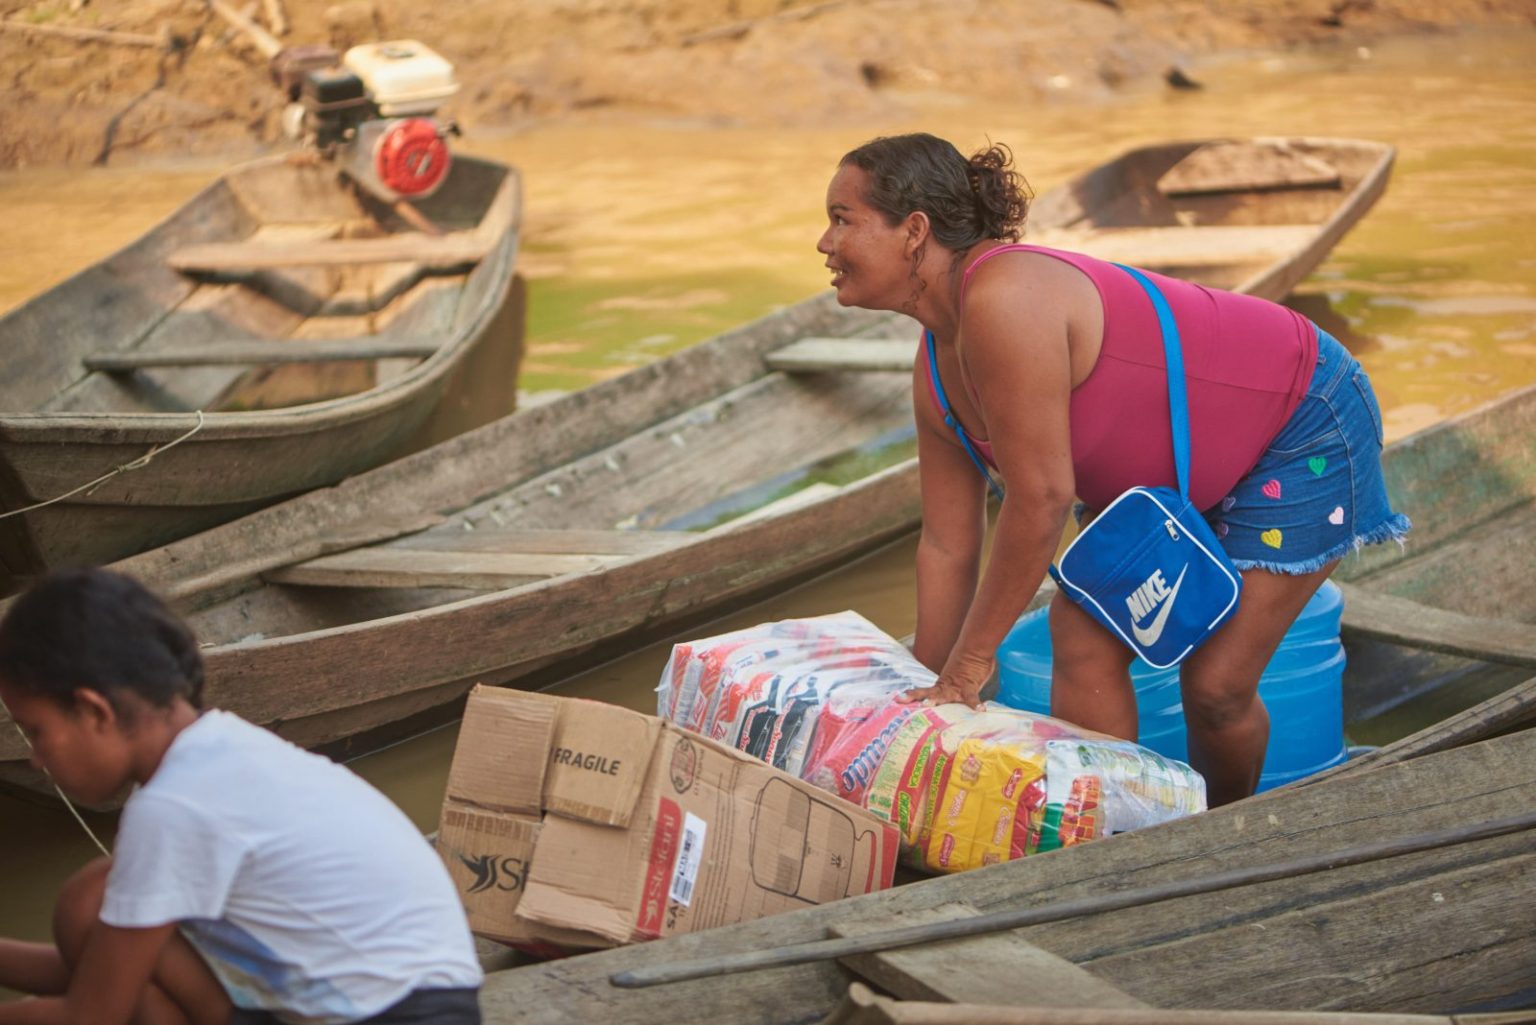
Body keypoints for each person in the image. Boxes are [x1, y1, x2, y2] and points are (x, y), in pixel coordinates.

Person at [816, 133, 1409, 806]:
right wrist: (922, 692)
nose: (824, 243)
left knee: (1216, 688)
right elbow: (949, 544)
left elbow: (1040, 499)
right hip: (1174, 476)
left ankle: (1224, 832)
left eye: (843, 218)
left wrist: (970, 665)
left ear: (914, 231)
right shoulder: (934, 373)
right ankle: (1118, 832)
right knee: (1081, 633)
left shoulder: (1006, 297)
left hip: (1300, 421)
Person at [0, 567, 483, 1025]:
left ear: (94, 710)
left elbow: (90, 1015)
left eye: (36, 731)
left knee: (94, 903)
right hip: (435, 1002)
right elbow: (101, 977)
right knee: (94, 902)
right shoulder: (220, 752)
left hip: (403, 1014)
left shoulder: (172, 807)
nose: (37, 759)